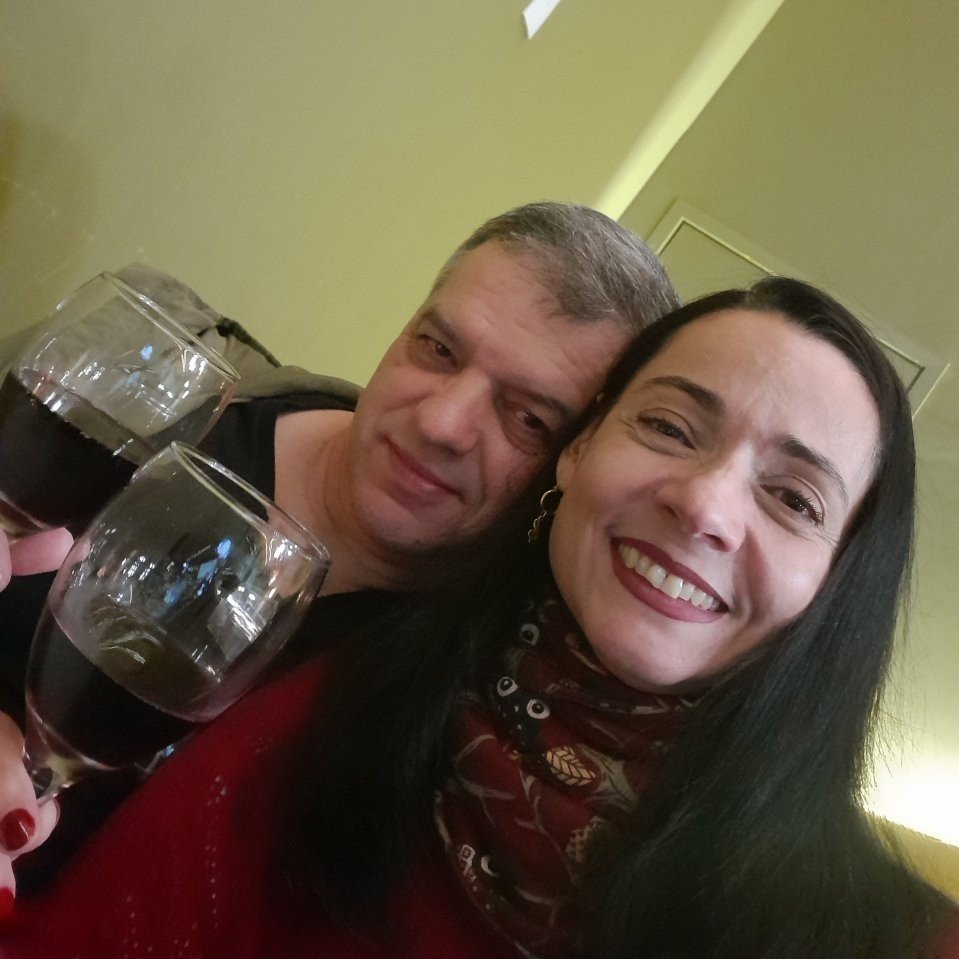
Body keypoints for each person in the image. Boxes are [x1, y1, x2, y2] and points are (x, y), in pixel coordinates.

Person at [2, 277, 956, 958]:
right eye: (669, 426)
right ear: (578, 453)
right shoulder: (343, 710)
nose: (704, 504)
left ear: (836, 583)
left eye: (793, 498)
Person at [0, 201, 679, 889]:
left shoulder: (452, 719)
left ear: (575, 462)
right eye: (438, 349)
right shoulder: (157, 380)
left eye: (528, 418)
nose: (441, 422)